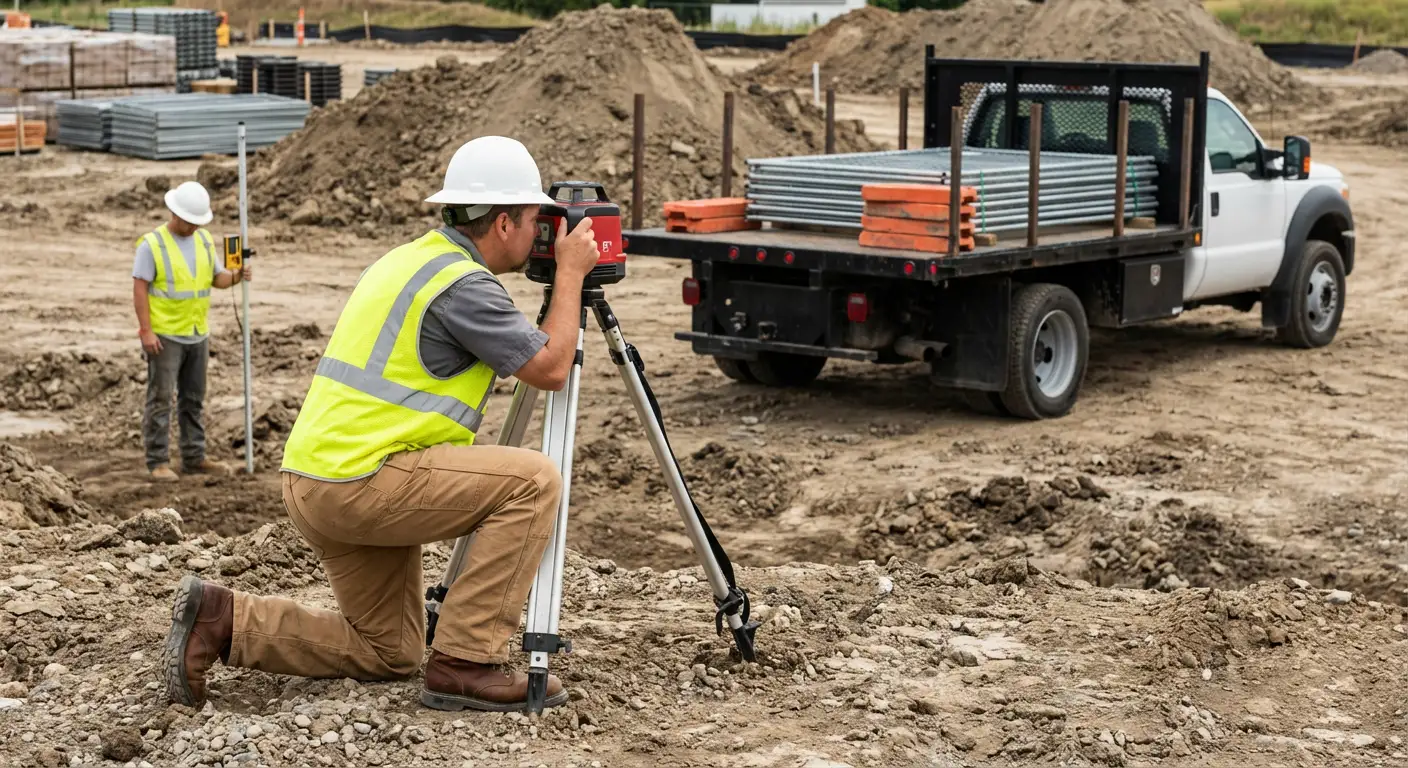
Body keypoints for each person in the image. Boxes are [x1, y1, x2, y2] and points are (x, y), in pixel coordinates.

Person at [160, 136, 602, 713]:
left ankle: (223, 621)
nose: (542, 235)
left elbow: (528, 349)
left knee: (388, 650)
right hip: (363, 481)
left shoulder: (413, 258)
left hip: (317, 478)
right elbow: (549, 368)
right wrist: (570, 276)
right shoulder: (464, 286)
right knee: (533, 481)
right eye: (536, 221)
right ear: (501, 223)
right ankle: (467, 662)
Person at [133, 180, 251, 482]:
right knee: (161, 399)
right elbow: (140, 288)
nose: (194, 228)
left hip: (198, 332)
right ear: (175, 213)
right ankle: (157, 460)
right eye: (190, 222)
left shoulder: (203, 240)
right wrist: (146, 330)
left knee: (193, 399)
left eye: (199, 223)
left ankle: (194, 456)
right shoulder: (153, 245)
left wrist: (237, 276)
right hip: (166, 336)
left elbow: (216, 279)